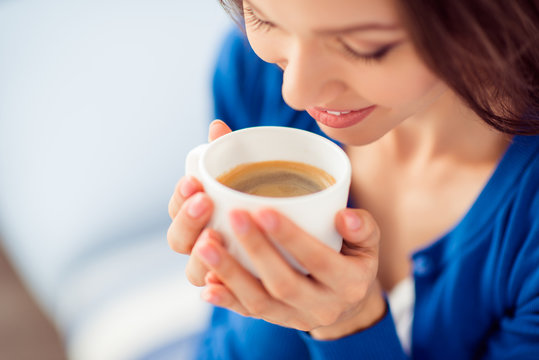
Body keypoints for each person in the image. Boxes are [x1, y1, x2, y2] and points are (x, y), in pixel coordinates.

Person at [167, 0, 539, 358]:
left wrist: (348, 325)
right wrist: (252, 278)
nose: (295, 92)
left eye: (365, 48)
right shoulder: (253, 71)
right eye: (266, 21)